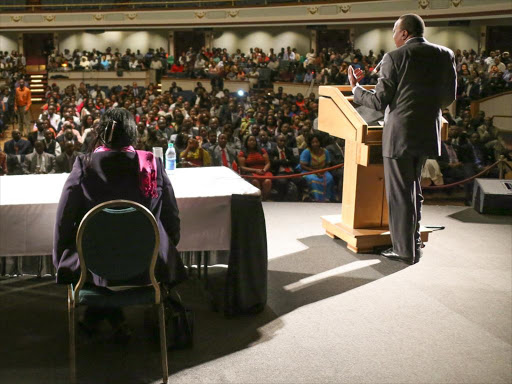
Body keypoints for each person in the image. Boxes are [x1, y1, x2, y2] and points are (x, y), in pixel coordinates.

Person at [53, 108, 185, 341]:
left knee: (103, 255)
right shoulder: (151, 163)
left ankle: (102, 316)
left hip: (93, 263)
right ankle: (111, 318)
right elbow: (171, 217)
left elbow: (64, 218)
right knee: (124, 249)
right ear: (133, 133)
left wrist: (60, 258)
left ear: (100, 134)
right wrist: (167, 247)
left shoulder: (85, 165)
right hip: (148, 262)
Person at [348, 14, 456, 264]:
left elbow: (378, 101)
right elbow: (448, 98)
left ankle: (404, 250)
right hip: (427, 131)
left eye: (395, 32)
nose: (393, 36)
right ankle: (413, 243)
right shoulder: (445, 54)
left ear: (405, 33)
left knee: (400, 194)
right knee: (414, 189)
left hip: (400, 135)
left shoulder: (395, 57)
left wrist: (356, 89)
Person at [299, 133, 334, 202]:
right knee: (314, 179)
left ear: (320, 142)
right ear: (310, 143)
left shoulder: (325, 151)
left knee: (330, 178)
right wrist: (315, 172)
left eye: (317, 142)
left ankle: (327, 198)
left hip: (322, 170)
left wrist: (323, 171)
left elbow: (328, 164)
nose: (315, 144)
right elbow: (302, 166)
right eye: (313, 142)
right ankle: (316, 198)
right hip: (309, 171)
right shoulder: (306, 151)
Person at [238, 135, 273, 200]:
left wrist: (264, 170)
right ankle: (258, 199)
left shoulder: (262, 150)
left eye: (253, 140)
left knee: (267, 181)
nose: (252, 142)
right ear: (246, 142)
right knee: (255, 181)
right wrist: (256, 170)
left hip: (263, 171)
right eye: (250, 140)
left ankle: (264, 199)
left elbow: (268, 163)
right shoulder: (243, 152)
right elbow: (242, 167)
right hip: (250, 172)